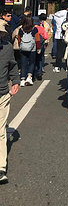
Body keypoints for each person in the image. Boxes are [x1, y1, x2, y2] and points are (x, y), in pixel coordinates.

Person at [0, 20, 20, 184]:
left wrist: (15, 81)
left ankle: (0, 168)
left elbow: (13, 66)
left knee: (0, 132)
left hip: (2, 94)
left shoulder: (6, 47)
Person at [17, 16, 42, 86]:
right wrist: (38, 49)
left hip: (23, 49)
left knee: (23, 64)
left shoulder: (21, 30)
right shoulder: (34, 29)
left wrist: (20, 46)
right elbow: (37, 40)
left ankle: (22, 79)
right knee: (31, 63)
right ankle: (29, 77)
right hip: (32, 49)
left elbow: (19, 40)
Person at [52, 2, 68, 72]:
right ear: (67, 8)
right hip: (67, 34)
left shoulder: (56, 15)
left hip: (58, 34)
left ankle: (57, 66)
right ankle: (67, 66)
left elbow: (55, 23)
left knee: (59, 51)